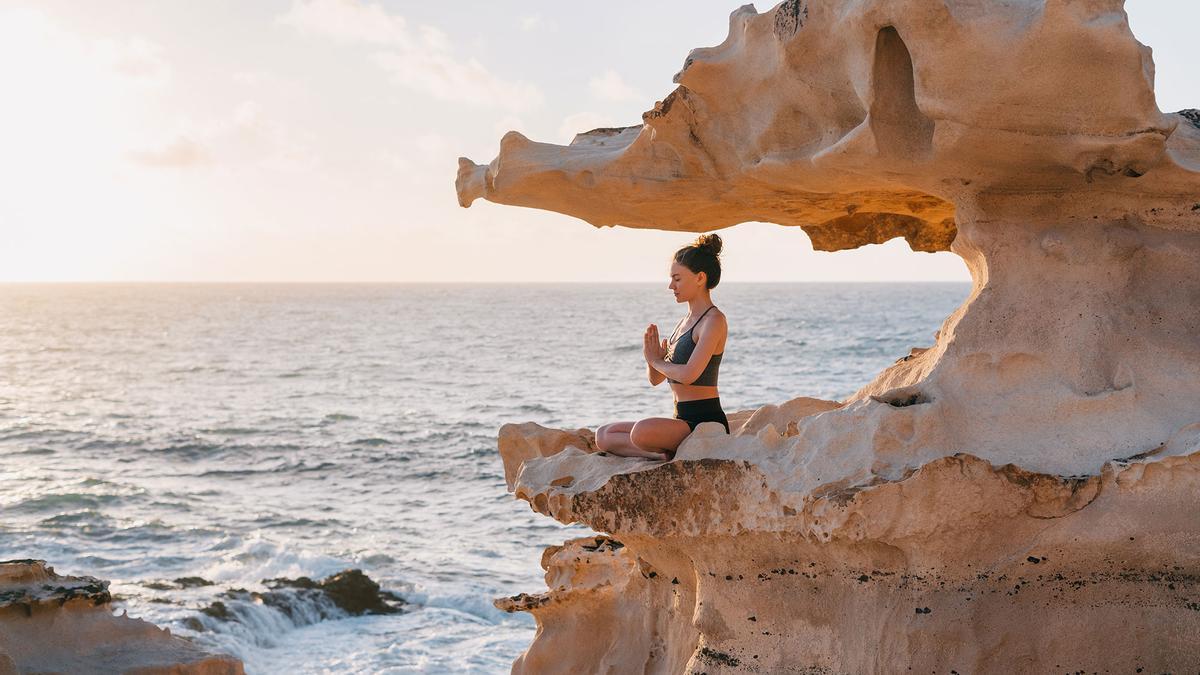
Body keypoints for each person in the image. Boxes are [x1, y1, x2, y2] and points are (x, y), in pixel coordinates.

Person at [595, 234, 729, 460]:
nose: (671, 286)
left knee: (641, 432)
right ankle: (662, 455)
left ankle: (665, 451)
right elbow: (656, 379)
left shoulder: (713, 320)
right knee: (604, 434)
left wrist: (657, 361)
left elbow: (688, 374)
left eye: (677, 278)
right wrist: (652, 360)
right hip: (680, 420)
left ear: (700, 278)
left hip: (704, 423)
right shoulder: (684, 322)